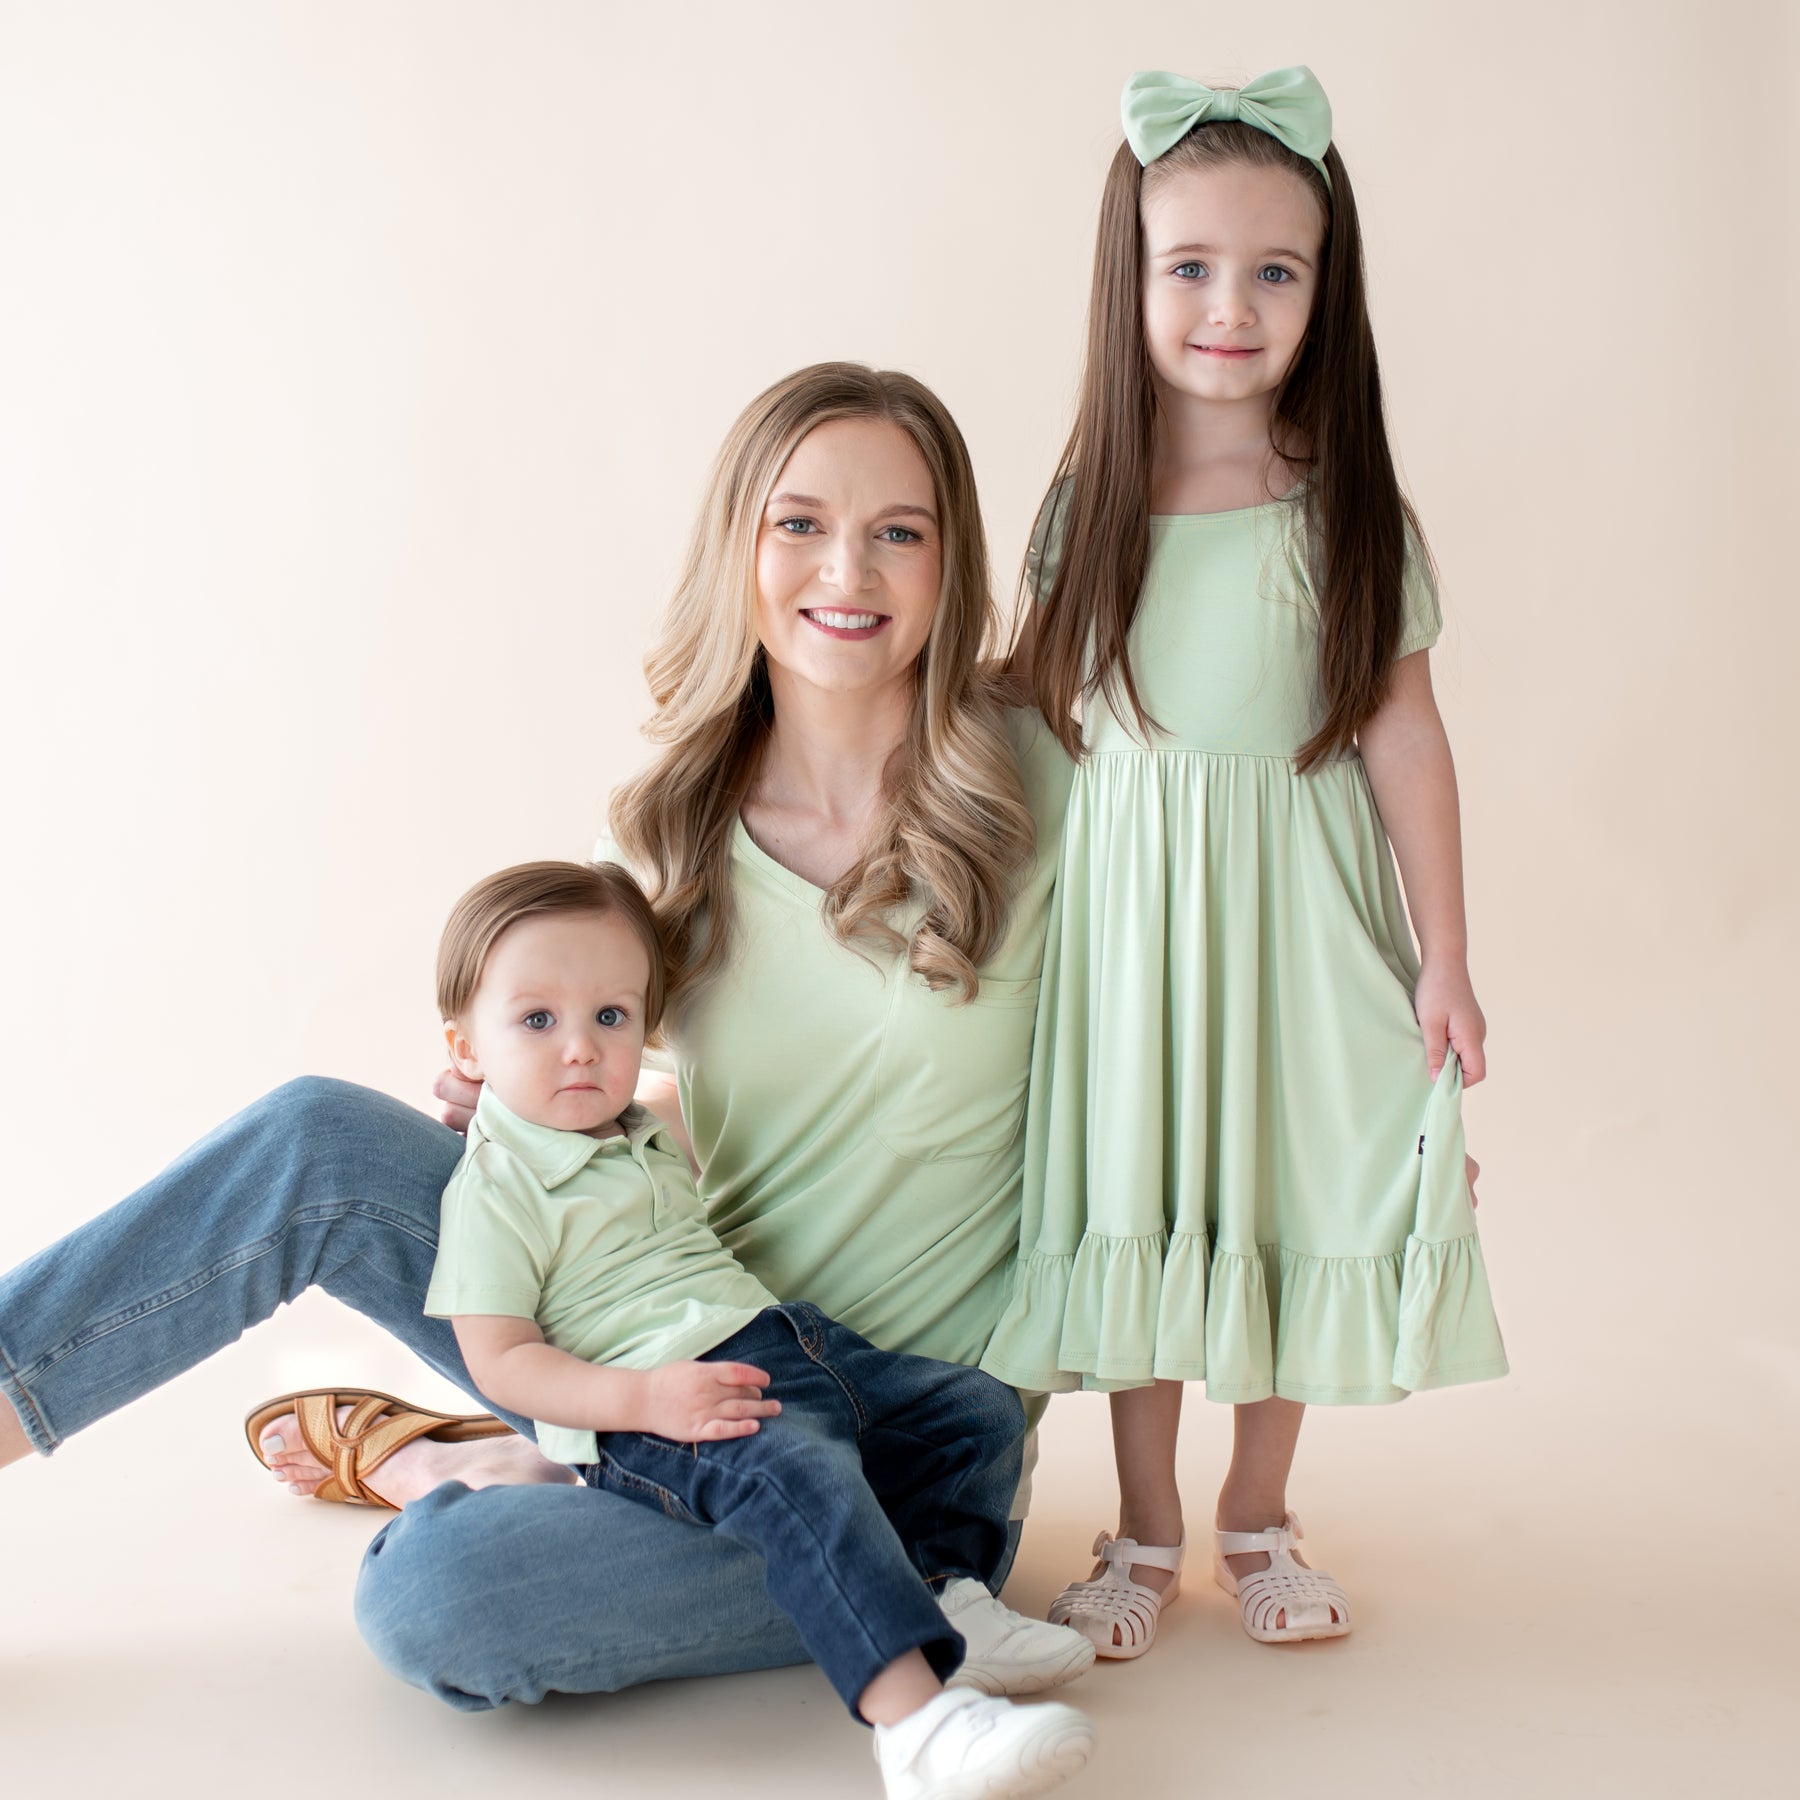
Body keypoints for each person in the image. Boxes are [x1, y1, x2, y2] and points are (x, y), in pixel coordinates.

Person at [0, 362, 1079, 1716]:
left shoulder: (1047, 791)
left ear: (951, 560)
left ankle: (465, 1460)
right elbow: (609, 1067)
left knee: (438, 1593)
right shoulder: (669, 827)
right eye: (798, 521)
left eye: (899, 530)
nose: (845, 568)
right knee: (315, 1141)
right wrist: (505, 1094)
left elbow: (1211, 1022)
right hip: (651, 1323)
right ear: (739, 546)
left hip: (886, 1454)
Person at [978, 67, 1508, 1658]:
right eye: (1191, 267)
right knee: (1144, 1197)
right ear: (1128, 281)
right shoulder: (1093, 504)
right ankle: (1141, 1530)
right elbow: (1027, 715)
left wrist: (1447, 956)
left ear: (1324, 292)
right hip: (1137, 926)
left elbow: (1405, 735)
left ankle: (1256, 1518)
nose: (1231, 305)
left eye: (1275, 271)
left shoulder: (1347, 508)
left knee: (1280, 1196)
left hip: (1296, 916)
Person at [423, 856, 1094, 1799]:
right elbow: (501, 1359)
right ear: (467, 1049)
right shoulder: (497, 1188)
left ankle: (952, 1597)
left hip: (788, 1342)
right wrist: (641, 1400)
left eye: (611, 1018)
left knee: (974, 1413)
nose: (581, 1048)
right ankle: (917, 1728)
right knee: (802, 1479)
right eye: (537, 1021)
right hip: (671, 1395)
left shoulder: (635, 1132)